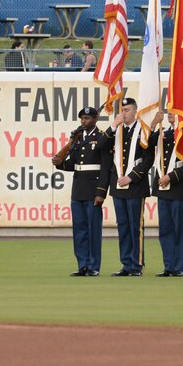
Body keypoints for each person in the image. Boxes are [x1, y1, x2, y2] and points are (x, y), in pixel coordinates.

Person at [97, 98, 155, 277]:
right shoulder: (117, 131)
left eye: (127, 110)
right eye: (122, 110)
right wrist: (113, 125)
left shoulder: (142, 130)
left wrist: (131, 177)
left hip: (135, 185)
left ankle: (136, 265)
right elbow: (100, 146)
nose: (124, 113)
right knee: (122, 226)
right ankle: (126, 264)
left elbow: (148, 158)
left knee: (135, 226)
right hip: (118, 186)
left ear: (135, 111)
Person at [52, 106, 109, 277]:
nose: (84, 121)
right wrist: (59, 162)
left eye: (88, 118)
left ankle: (93, 266)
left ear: (95, 119)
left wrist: (101, 192)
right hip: (78, 191)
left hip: (93, 191)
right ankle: (82, 265)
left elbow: (106, 168)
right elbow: (74, 164)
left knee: (93, 230)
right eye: (82, 118)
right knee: (80, 230)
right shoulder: (77, 139)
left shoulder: (101, 138)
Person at [151, 112, 183, 277]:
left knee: (180, 230)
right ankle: (169, 265)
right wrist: (154, 124)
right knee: (165, 230)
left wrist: (171, 177)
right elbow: (145, 144)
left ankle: (180, 266)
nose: (170, 113)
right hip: (163, 190)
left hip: (178, 190)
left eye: (175, 109)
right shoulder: (165, 134)